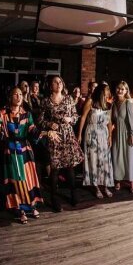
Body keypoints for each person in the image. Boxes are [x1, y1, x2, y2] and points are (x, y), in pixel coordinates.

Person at [0, 87, 59, 224]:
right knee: (15, 181)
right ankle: (19, 209)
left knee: (27, 180)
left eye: (20, 94)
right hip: (11, 151)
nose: (19, 96)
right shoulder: (3, 113)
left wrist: (47, 133)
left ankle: (30, 206)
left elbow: (33, 131)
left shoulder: (26, 114)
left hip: (25, 151)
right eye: (16, 94)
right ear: (10, 97)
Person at [38, 75, 84, 212]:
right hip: (55, 137)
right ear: (50, 85)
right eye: (55, 82)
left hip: (68, 135)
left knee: (70, 167)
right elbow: (40, 120)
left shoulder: (69, 98)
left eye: (60, 82)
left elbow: (76, 116)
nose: (58, 84)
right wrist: (49, 123)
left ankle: (73, 193)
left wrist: (71, 119)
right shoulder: (45, 101)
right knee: (55, 169)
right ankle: (54, 198)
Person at [78, 83, 114, 199]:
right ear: (101, 91)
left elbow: (109, 122)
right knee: (93, 160)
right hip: (92, 133)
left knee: (104, 161)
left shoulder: (108, 105)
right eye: (107, 90)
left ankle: (105, 186)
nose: (108, 92)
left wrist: (110, 137)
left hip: (103, 135)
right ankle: (96, 186)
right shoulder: (91, 101)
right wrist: (79, 134)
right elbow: (83, 117)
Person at [111, 81, 133, 193]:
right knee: (117, 157)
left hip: (127, 134)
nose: (120, 91)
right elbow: (113, 120)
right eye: (118, 88)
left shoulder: (128, 103)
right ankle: (118, 179)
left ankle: (132, 181)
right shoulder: (114, 103)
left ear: (126, 91)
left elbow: (132, 120)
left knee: (130, 158)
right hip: (117, 134)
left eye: (122, 89)